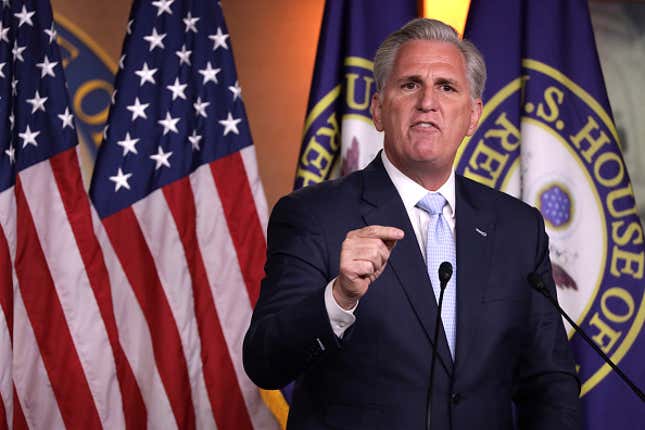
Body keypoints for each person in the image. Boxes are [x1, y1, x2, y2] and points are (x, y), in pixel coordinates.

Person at [243, 18, 580, 430]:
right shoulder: (313, 216)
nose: (427, 102)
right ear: (378, 108)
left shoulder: (517, 227)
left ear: (473, 116)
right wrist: (339, 297)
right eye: (409, 85)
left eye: (447, 87)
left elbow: (549, 382)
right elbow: (265, 361)